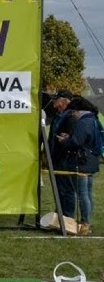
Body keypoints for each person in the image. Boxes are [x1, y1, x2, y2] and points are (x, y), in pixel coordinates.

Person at [55, 96, 101, 236]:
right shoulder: (93, 120)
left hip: (81, 163)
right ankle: (86, 221)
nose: (72, 116)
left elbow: (77, 142)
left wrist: (65, 140)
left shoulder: (83, 122)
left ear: (78, 110)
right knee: (87, 194)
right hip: (91, 162)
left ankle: (85, 223)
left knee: (82, 195)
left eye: (73, 112)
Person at [47, 90, 77, 223]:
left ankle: (68, 218)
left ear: (65, 101)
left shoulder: (72, 116)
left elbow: (72, 137)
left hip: (66, 157)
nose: (54, 101)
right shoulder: (57, 116)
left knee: (67, 189)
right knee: (59, 188)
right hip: (55, 157)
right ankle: (60, 214)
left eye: (57, 99)